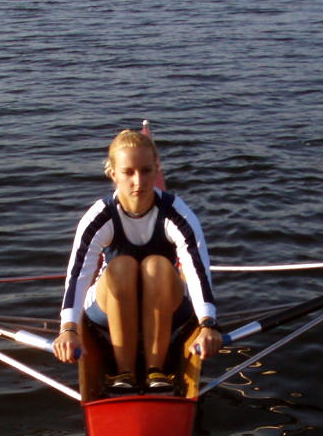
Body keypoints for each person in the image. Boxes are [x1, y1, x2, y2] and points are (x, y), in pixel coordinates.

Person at [52, 128, 222, 393]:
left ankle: (157, 371)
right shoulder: (100, 216)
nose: (138, 181)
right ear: (113, 175)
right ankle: (124, 373)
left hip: (168, 303)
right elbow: (78, 274)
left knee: (157, 265)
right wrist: (69, 328)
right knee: (123, 266)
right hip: (108, 307)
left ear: (157, 170)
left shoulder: (177, 213)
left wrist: (208, 322)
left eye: (146, 171)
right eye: (128, 172)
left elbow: (196, 268)